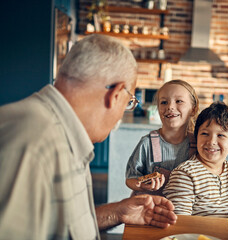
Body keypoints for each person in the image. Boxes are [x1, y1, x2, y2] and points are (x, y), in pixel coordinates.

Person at [0, 34, 177, 240]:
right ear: (116, 94)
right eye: (128, 102)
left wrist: (118, 212)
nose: (122, 113)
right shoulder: (31, 143)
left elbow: (61, 222)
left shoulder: (65, 132)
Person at [125, 80, 228, 204]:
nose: (170, 106)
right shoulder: (147, 143)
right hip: (149, 211)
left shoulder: (202, 143)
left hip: (187, 213)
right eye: (164, 102)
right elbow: (130, 178)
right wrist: (140, 185)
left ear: (193, 109)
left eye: (179, 101)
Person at [163, 102, 228, 217]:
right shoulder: (185, 174)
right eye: (205, 134)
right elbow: (180, 223)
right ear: (196, 137)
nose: (211, 142)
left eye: (221, 135)